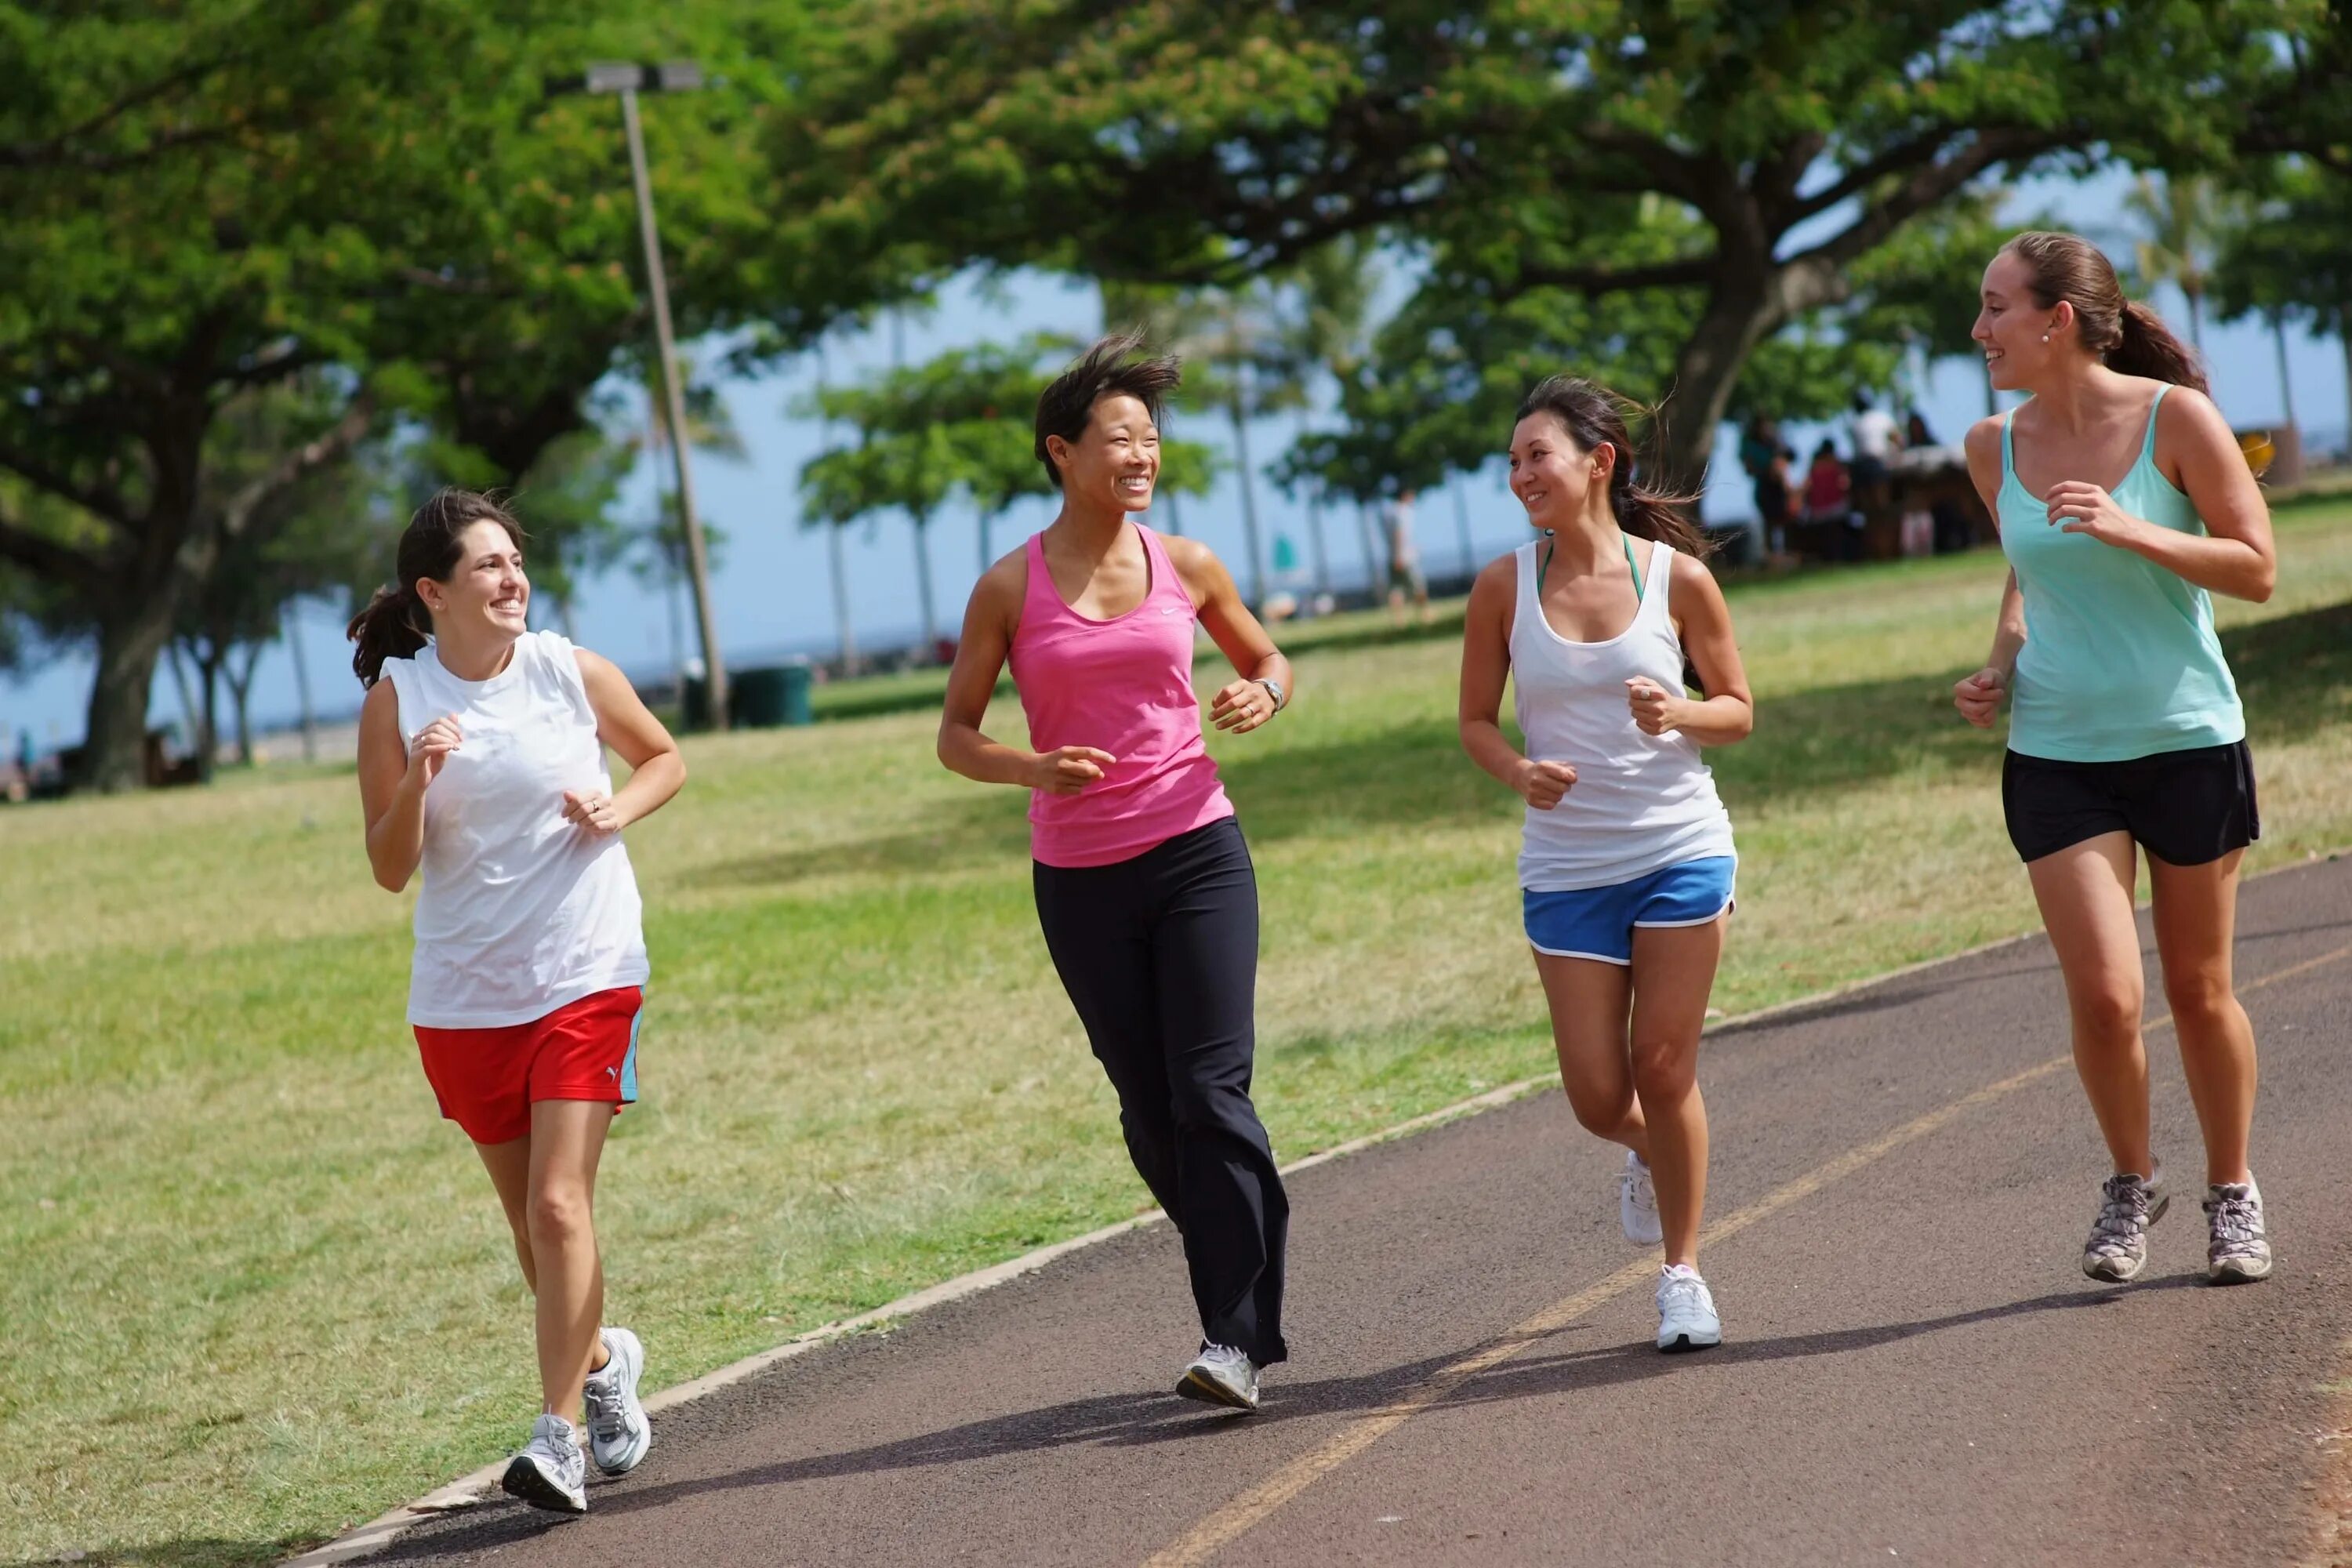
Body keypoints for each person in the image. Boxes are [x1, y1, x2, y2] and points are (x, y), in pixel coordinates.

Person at [938, 334, 1295, 1411]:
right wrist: (1030, 766)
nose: (1142, 454)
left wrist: (1265, 695)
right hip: (1082, 878)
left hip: (1197, 848)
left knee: (1208, 1091)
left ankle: (1233, 1337)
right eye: (1120, 438)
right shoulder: (1009, 587)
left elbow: (1268, 657)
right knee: (1149, 1110)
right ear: (1062, 452)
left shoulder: (1186, 565)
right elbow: (955, 735)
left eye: (1151, 438)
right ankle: (1247, 1249)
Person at [348, 489, 685, 1513]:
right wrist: (419, 780)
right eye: (487, 566)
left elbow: (664, 758)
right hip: (463, 999)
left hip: (586, 972)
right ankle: (599, 1368)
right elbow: (388, 866)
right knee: (530, 1225)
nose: (511, 580)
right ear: (433, 592)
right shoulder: (397, 702)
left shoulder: (565, 668)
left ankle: (557, 1441)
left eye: (514, 562)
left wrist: (613, 805)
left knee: (557, 1203)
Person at [1952, 230, 2277, 1287]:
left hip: (2186, 736)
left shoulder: (2175, 420)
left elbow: (2257, 568)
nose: (1979, 328)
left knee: (2197, 987)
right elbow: (2025, 573)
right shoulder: (1990, 443)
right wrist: (1998, 664)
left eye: (1996, 307)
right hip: (2058, 749)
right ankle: (2130, 1185)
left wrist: (2134, 531)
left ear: (2057, 320)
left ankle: (2233, 1190)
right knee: (2101, 995)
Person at [1457, 376, 1755, 1352]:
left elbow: (1739, 709)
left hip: (1677, 845)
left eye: (1536, 455)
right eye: (1512, 461)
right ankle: (1655, 1151)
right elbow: (1472, 720)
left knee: (1663, 1068)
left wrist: (1680, 712)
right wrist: (1518, 769)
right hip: (1568, 865)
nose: (1520, 475)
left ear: (1599, 461)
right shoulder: (1504, 584)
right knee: (1598, 1096)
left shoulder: (1676, 579)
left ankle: (1683, 1274)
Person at [1387, 488, 1432, 625]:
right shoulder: (1402, 513)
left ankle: (1399, 620)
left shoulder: (1390, 512)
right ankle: (1425, 614)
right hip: (1405, 557)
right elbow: (1399, 534)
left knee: (1397, 589)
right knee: (1418, 587)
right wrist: (1399, 555)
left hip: (1394, 556)